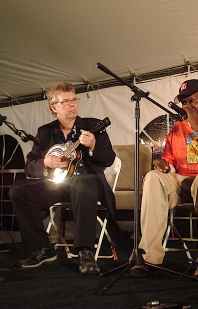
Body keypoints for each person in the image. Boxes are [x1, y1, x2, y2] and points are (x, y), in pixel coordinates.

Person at [130, 79, 198, 281]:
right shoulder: (178, 127)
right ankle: (149, 257)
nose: (187, 106)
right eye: (184, 102)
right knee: (154, 178)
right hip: (186, 182)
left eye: (191, 101)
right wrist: (163, 164)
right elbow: (171, 161)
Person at [10, 82, 120, 275]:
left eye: (74, 100)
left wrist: (94, 145)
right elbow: (30, 165)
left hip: (88, 183)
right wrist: (46, 162)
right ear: (54, 107)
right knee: (18, 190)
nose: (72, 105)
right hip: (57, 185)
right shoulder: (45, 132)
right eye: (66, 101)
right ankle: (42, 248)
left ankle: (85, 251)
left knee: (82, 181)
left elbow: (109, 159)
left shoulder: (93, 126)